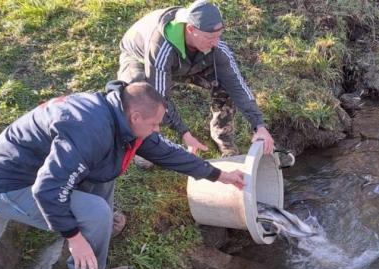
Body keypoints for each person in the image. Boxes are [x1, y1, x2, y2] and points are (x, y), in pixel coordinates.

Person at [0, 81, 244, 269]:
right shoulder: (90, 131)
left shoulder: (118, 115)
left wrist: (219, 175)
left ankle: (99, 230)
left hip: (38, 172)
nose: (157, 130)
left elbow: (165, 152)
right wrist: (74, 238)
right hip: (7, 188)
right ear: (135, 116)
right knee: (95, 213)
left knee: (106, 174)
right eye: (154, 124)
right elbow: (48, 190)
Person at [117, 0, 275, 163]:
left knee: (225, 84)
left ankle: (223, 137)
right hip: (140, 58)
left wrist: (259, 125)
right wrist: (184, 133)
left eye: (218, 36)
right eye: (210, 37)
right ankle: (146, 142)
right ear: (191, 29)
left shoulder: (215, 46)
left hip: (188, 62)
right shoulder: (160, 45)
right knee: (139, 96)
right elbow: (159, 98)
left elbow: (237, 85)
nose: (215, 42)